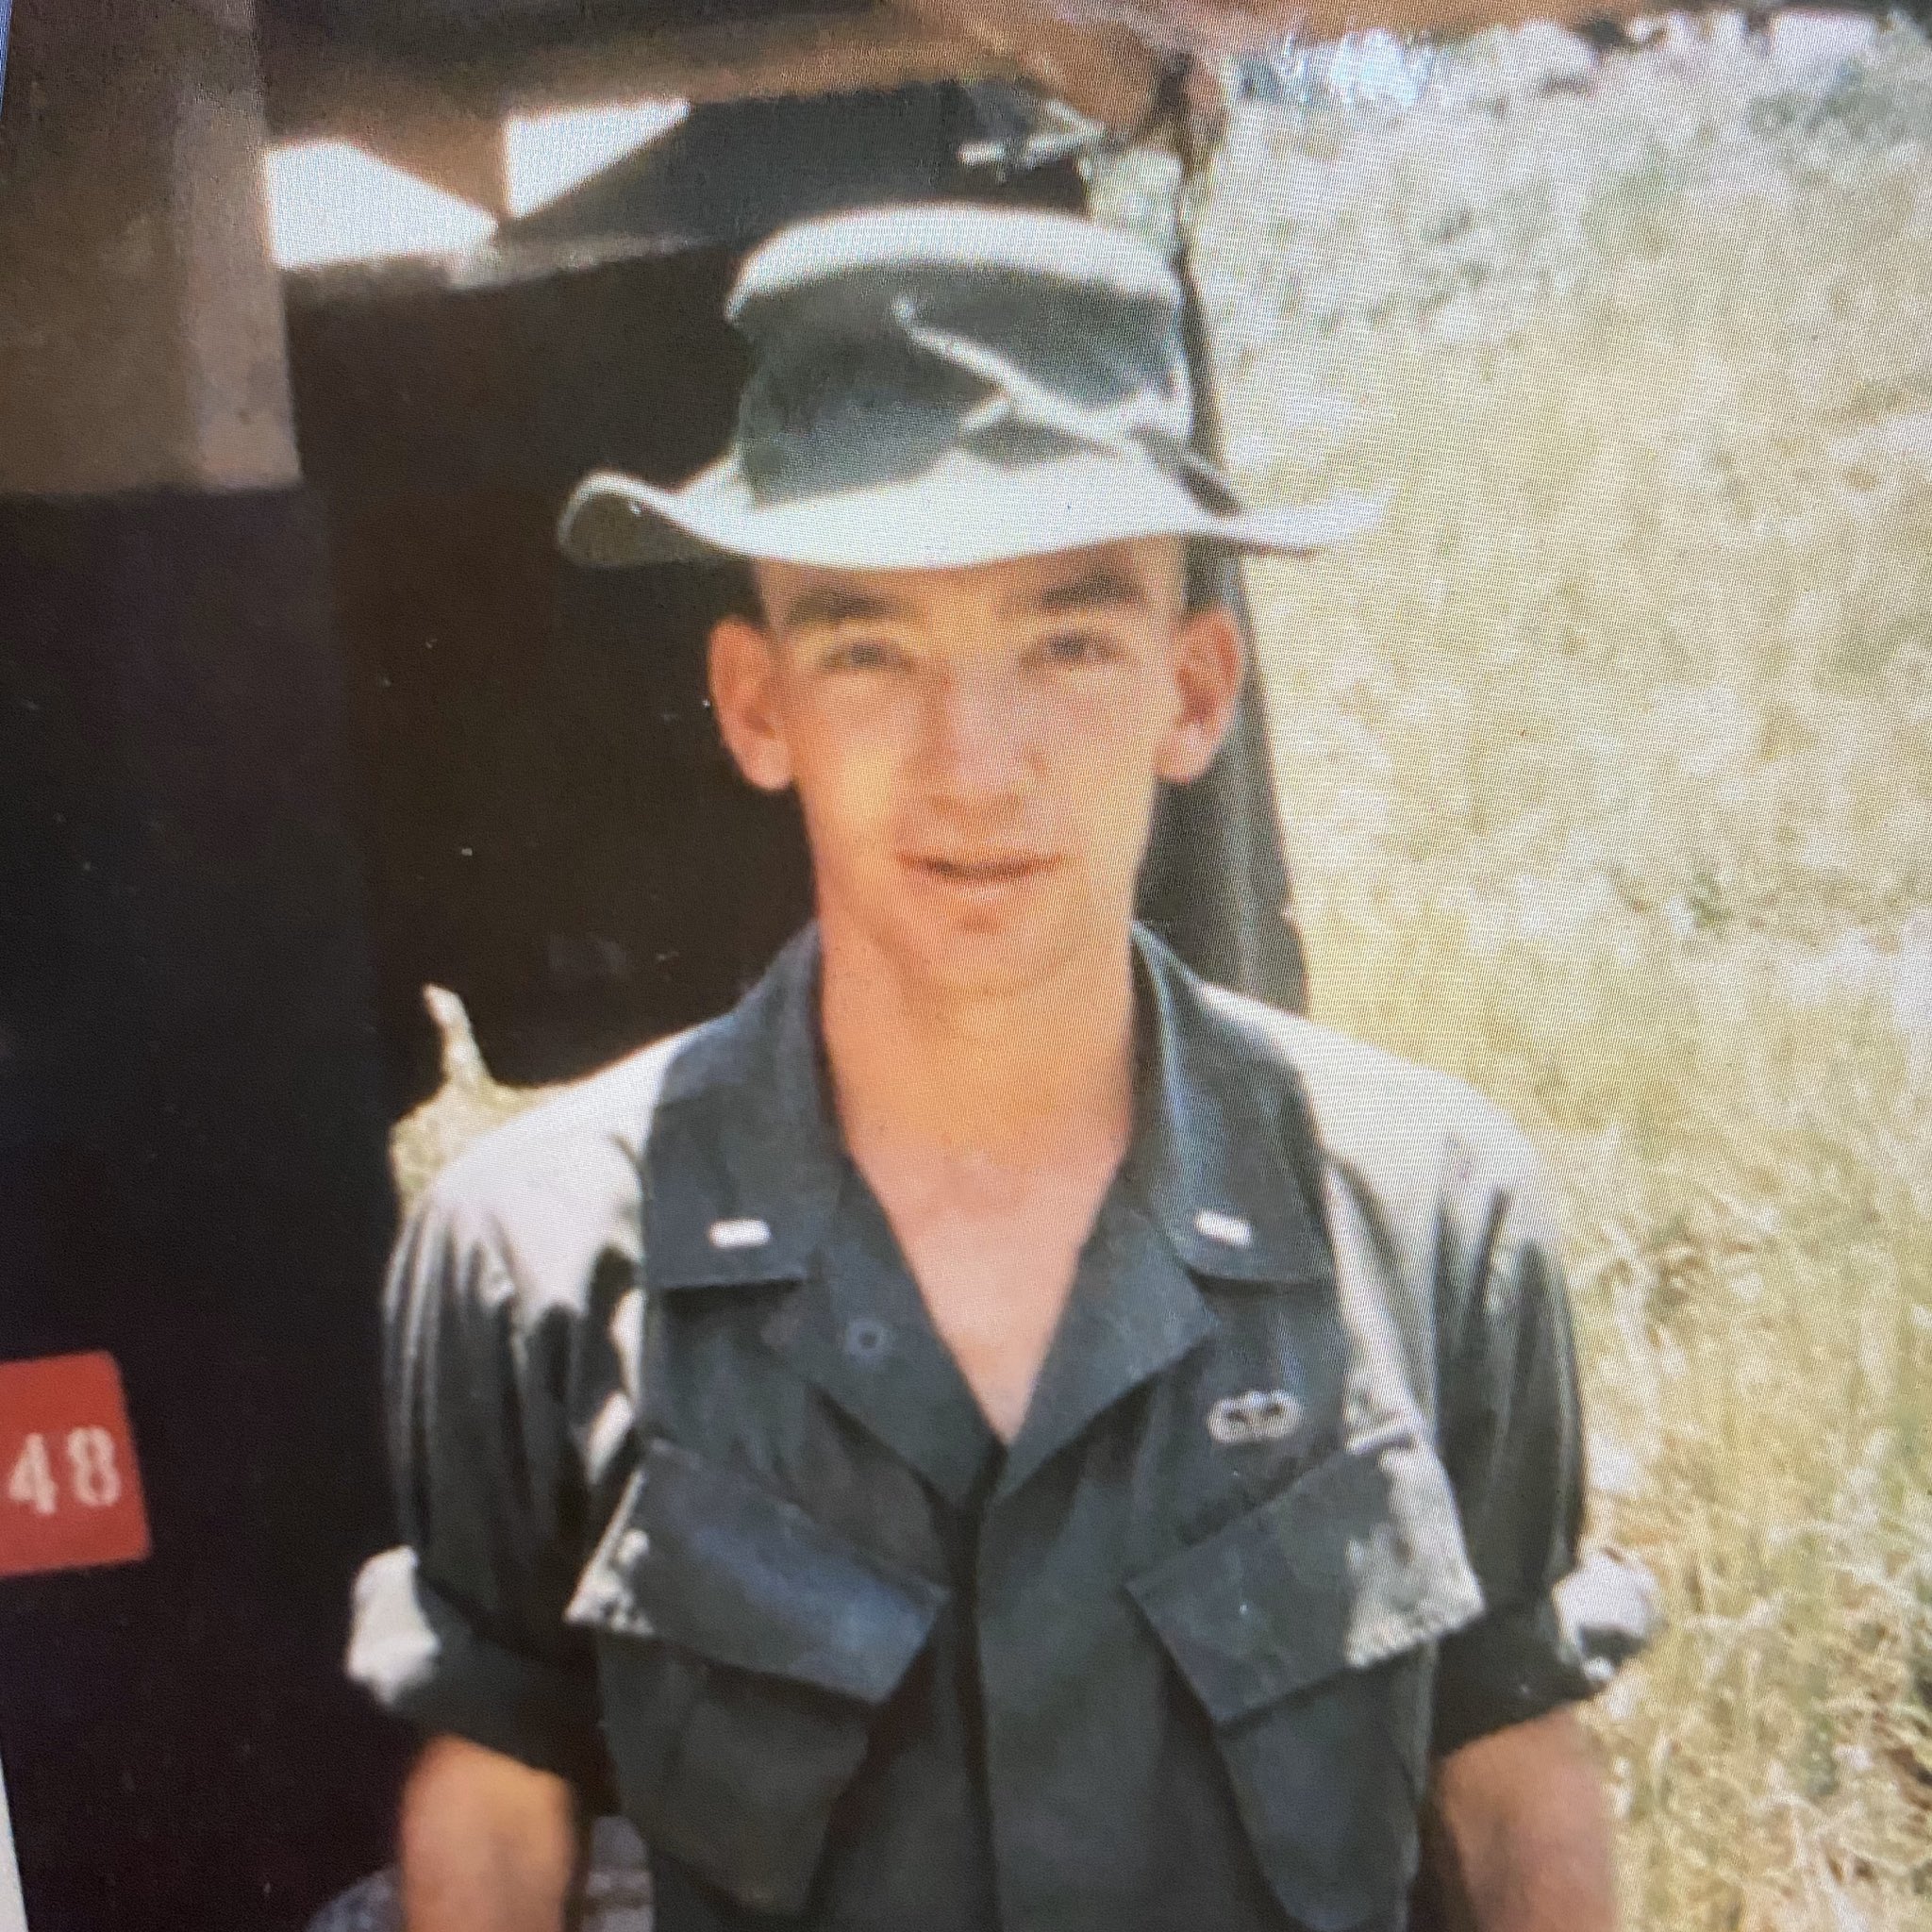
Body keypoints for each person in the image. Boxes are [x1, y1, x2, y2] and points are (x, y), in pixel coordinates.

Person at [345, 200, 1644, 1932]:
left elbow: (1511, 1773)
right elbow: (500, 1807)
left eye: (1069, 643)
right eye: (871, 652)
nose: (975, 764)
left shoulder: (1425, 1217)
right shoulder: (536, 1248)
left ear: (1196, 692)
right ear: (755, 704)